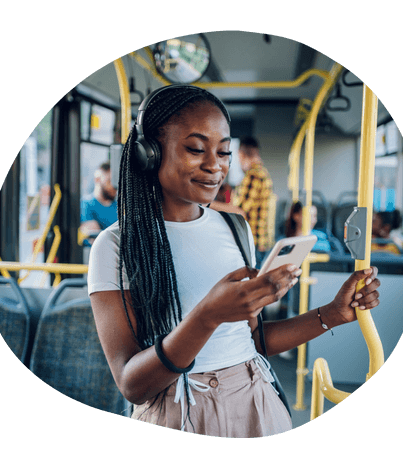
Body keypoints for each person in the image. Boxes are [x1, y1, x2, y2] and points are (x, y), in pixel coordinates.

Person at [87, 85, 381, 437]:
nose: (215, 166)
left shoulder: (235, 227)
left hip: (255, 398)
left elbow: (253, 342)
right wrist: (207, 316)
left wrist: (331, 314)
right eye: (196, 149)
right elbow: (132, 385)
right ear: (149, 153)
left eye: (225, 152)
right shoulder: (115, 246)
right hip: (178, 407)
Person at [232, 137, 273, 267]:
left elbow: (239, 211)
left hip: (253, 243)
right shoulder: (262, 173)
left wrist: (208, 205)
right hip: (259, 242)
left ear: (242, 154)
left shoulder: (254, 175)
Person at [80, 162, 117, 245]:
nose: (114, 187)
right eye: (109, 181)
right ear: (97, 179)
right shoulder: (86, 204)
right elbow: (96, 240)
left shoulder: (119, 207)